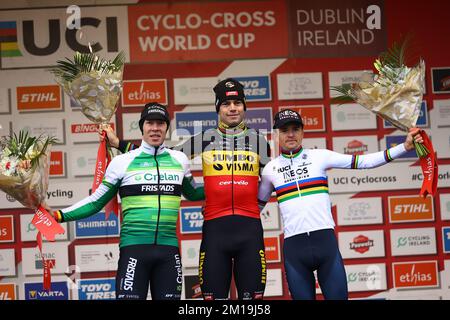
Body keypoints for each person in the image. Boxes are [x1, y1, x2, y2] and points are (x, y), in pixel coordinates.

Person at [104, 78, 271, 300]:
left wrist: (257, 206)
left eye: (238, 103)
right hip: (215, 231)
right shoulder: (205, 139)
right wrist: (120, 144)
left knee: (253, 304)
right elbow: (164, 155)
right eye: (226, 104)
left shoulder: (258, 140)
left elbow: (272, 177)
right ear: (218, 108)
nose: (232, 109)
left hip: (250, 230)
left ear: (244, 107)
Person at [257, 109, 424, 300]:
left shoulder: (319, 156)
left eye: (296, 129)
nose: (291, 134)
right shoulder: (271, 169)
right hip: (295, 250)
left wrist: (404, 147)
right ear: (276, 134)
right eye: (285, 130)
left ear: (303, 132)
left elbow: (364, 162)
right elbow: (255, 208)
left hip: (325, 244)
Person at [54, 102, 204, 300]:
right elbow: (95, 202)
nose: (155, 128)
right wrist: (58, 215)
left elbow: (193, 193)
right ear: (142, 126)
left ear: (167, 127)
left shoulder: (179, 160)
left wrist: (231, 184)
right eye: (150, 123)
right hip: (134, 250)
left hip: (169, 252)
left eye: (161, 123)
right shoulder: (122, 162)